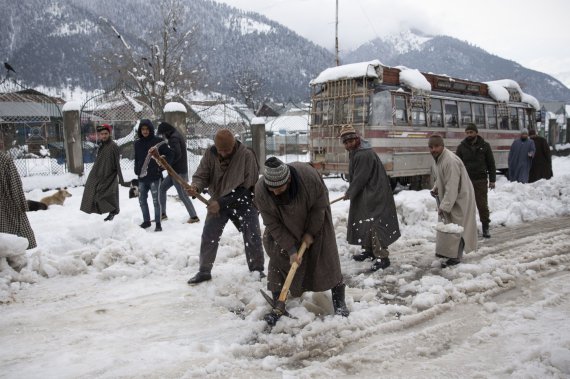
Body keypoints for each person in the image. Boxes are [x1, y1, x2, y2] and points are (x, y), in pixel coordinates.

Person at [254, 157, 349, 321]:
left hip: (313, 217)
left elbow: (319, 207)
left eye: (279, 188)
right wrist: (290, 249)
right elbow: (272, 224)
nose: (275, 192)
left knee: (326, 258)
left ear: (289, 179)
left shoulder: (309, 178)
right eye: (272, 189)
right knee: (278, 258)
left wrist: (310, 232)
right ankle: (278, 302)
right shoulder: (261, 191)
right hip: (282, 224)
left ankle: (340, 302)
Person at [186, 129, 265, 284]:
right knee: (209, 234)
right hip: (218, 200)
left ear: (234, 144)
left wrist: (221, 203)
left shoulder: (246, 155)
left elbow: (247, 187)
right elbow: (202, 175)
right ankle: (204, 271)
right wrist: (195, 187)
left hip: (244, 200)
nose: (223, 154)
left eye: (227, 150)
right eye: (220, 150)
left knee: (252, 236)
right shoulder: (210, 153)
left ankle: (257, 270)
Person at [339, 125, 401, 271]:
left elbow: (360, 177)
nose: (348, 145)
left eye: (351, 141)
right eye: (346, 142)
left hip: (375, 194)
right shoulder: (356, 151)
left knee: (375, 224)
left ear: (357, 139)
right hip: (367, 192)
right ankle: (369, 251)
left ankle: (382, 257)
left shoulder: (362, 154)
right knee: (365, 220)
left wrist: (350, 192)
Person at [428, 135, 477, 267]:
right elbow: (441, 177)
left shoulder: (449, 160)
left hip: (461, 197)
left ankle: (455, 256)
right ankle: (447, 253)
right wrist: (436, 187)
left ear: (442, 146)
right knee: (448, 225)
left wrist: (444, 206)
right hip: (450, 196)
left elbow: (452, 185)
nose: (434, 149)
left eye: (436, 146)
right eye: (431, 147)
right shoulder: (438, 159)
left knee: (458, 226)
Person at [455, 123, 496, 238]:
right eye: (467, 133)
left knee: (482, 205)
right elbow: (457, 164)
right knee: (467, 206)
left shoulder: (485, 146)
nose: (469, 135)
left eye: (471, 132)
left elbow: (491, 164)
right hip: (466, 181)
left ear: (476, 133)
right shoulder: (461, 147)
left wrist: (492, 180)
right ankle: (469, 228)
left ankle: (485, 227)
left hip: (481, 180)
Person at [134, 119, 173, 232]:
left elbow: (170, 154)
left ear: (151, 129)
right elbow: (137, 159)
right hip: (142, 177)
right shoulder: (137, 143)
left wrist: (161, 167)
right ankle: (146, 221)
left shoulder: (158, 141)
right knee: (142, 200)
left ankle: (158, 224)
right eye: (142, 129)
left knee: (156, 201)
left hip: (154, 177)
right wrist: (136, 170)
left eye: (147, 129)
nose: (145, 131)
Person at [156, 121, 199, 224]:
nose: (163, 136)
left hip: (178, 172)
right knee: (162, 188)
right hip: (174, 171)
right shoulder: (175, 135)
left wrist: (167, 164)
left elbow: (177, 154)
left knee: (183, 195)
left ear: (166, 131)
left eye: (163, 134)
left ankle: (194, 216)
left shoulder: (174, 139)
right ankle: (162, 214)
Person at [80, 124, 125, 221]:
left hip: (109, 175)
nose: (104, 136)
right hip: (98, 174)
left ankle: (113, 211)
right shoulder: (102, 146)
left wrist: (120, 178)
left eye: (106, 133)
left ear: (109, 134)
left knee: (104, 195)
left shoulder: (113, 146)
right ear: (99, 135)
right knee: (92, 192)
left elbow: (117, 163)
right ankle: (112, 211)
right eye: (101, 134)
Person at [0, 151, 37, 250]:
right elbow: (15, 186)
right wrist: (22, 205)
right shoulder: (3, 159)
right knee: (19, 240)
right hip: (6, 209)